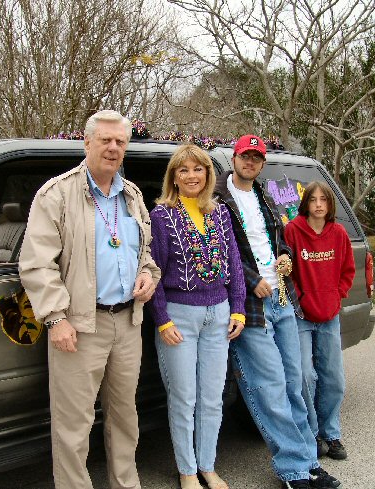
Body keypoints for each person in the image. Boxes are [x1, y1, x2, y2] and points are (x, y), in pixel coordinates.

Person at [19, 110, 161, 489]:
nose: (113, 148)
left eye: (120, 142)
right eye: (105, 140)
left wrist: (147, 275)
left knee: (125, 419)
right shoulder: (57, 193)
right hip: (79, 326)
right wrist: (55, 318)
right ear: (87, 142)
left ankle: (125, 484)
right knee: (73, 425)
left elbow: (144, 255)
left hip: (127, 324)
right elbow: (36, 264)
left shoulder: (131, 196)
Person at [214, 135, 341, 489]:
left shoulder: (264, 196)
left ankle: (309, 463)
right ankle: (294, 469)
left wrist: (284, 254)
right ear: (235, 159)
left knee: (295, 383)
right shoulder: (218, 200)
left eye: (256, 158)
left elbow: (279, 236)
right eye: (245, 156)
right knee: (267, 386)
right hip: (250, 305)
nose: (250, 162)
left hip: (283, 298)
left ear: (261, 163)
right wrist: (252, 279)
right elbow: (221, 252)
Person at [148, 144, 246, 489]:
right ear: (173, 178)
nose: (191, 176)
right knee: (183, 397)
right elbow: (153, 270)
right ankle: (187, 470)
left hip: (219, 314)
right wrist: (162, 318)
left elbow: (234, 262)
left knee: (211, 397)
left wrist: (238, 308)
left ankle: (207, 465)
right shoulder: (161, 216)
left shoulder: (220, 213)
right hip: (179, 315)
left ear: (208, 174)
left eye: (198, 169)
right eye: (183, 170)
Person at [284, 181, 355, 460]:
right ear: (306, 203)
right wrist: (299, 298)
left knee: (333, 377)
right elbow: (285, 270)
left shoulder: (338, 234)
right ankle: (311, 433)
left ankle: (331, 434)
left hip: (329, 315)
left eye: (323, 199)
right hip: (302, 315)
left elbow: (348, 270)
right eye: (312, 199)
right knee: (304, 375)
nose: (318, 204)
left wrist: (337, 296)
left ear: (330, 204)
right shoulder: (293, 230)